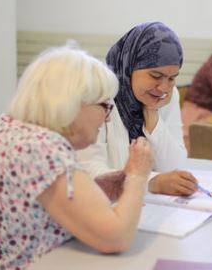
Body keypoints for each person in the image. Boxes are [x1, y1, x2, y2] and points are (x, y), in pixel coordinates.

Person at [0, 46, 154, 269]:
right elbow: (117, 238)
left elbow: (40, 205)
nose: (107, 119)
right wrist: (137, 175)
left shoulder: (10, 130)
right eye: (105, 106)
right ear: (74, 102)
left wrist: (97, 190)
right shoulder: (42, 149)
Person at [77, 22, 198, 196]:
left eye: (172, 78)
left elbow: (174, 166)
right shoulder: (98, 95)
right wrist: (150, 182)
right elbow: (89, 170)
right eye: (156, 76)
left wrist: (152, 115)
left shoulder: (166, 97)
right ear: (130, 66)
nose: (164, 87)